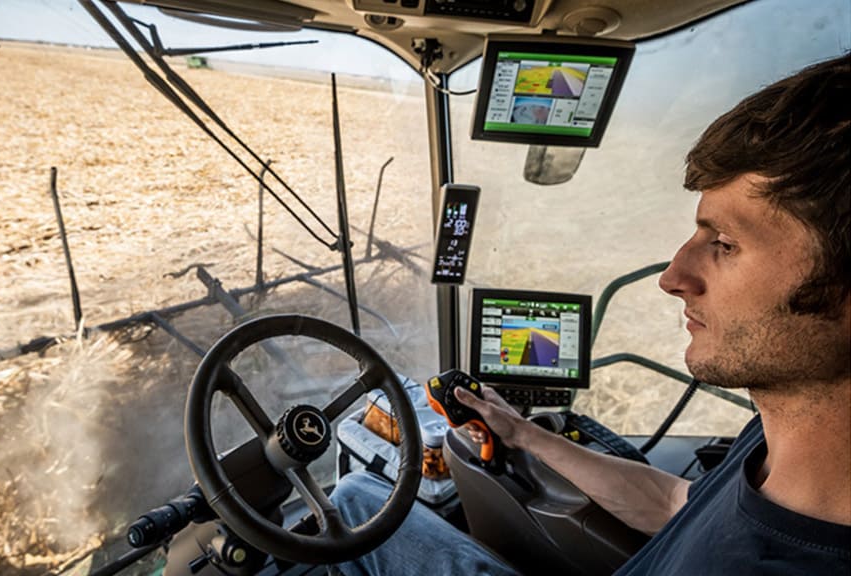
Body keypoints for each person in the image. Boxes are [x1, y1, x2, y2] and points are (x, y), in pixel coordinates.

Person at [331, 53, 850, 575]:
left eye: (725, 244)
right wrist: (523, 433)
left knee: (352, 501)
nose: (673, 278)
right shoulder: (778, 435)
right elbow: (675, 502)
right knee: (360, 498)